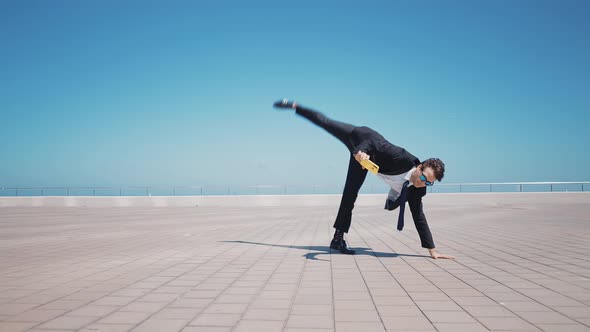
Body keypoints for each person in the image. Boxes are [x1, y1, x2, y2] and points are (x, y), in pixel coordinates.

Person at [274, 99, 455, 260]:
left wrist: (432, 250)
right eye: (423, 177)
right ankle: (295, 106)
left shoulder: (418, 189)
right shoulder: (400, 156)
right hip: (363, 141)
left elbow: (419, 217)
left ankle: (336, 240)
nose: (423, 182)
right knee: (326, 123)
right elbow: (374, 144)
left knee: (357, 195)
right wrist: (360, 153)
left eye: (428, 182)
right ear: (419, 167)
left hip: (369, 162)